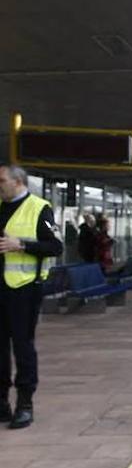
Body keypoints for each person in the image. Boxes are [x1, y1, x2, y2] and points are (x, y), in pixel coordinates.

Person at [0, 165, 63, 429]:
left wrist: (22, 245)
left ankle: (25, 404)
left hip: (24, 289)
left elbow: (56, 246)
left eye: (1, 180)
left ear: (18, 182)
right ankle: (1, 402)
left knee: (23, 346)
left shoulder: (39, 208)